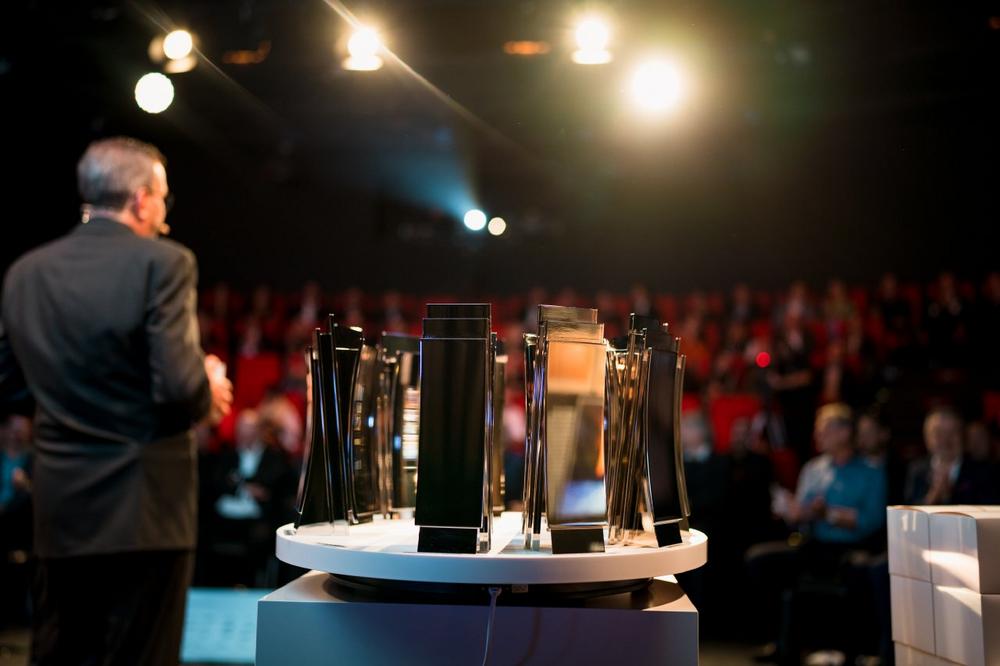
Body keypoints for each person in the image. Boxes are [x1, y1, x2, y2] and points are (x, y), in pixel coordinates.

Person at [0, 137, 232, 666]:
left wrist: (72, 400)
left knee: (60, 655)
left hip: (59, 510)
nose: (165, 216)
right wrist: (208, 387)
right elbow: (180, 389)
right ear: (142, 199)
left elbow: (9, 384)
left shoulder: (26, 272)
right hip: (146, 512)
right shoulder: (165, 263)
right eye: (164, 200)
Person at [904, 407, 997, 505]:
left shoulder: (984, 471)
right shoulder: (916, 470)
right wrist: (933, 496)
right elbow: (908, 509)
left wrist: (950, 495)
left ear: (962, 437)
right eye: (938, 433)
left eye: (953, 432)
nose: (946, 439)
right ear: (927, 437)